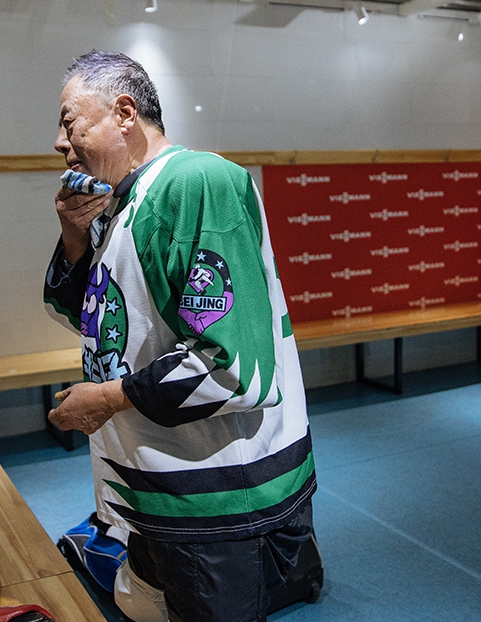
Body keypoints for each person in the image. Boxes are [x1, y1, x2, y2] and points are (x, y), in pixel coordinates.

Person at [43, 50, 316, 622]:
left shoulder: (196, 182)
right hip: (157, 483)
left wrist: (109, 398)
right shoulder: (121, 199)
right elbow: (92, 317)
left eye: (70, 122)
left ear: (124, 113)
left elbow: (233, 368)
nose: (59, 142)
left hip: (212, 498)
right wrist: (74, 235)